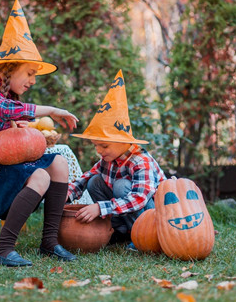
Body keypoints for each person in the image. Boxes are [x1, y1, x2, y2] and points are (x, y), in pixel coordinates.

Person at [0, 0, 78, 266]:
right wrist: (51, 110)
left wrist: (15, 128)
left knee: (59, 163)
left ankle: (50, 242)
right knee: (41, 175)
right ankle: (3, 249)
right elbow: (6, 109)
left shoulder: (5, 94)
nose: (32, 80)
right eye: (30, 73)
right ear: (10, 68)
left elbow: (9, 122)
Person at [67, 70, 166, 251]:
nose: (98, 151)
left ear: (124, 141)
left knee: (121, 185)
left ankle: (144, 237)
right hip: (129, 212)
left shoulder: (140, 161)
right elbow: (86, 177)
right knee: (95, 181)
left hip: (155, 216)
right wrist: (66, 194)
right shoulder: (109, 159)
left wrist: (100, 208)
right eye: (95, 145)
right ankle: (120, 231)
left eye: (103, 146)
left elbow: (138, 198)